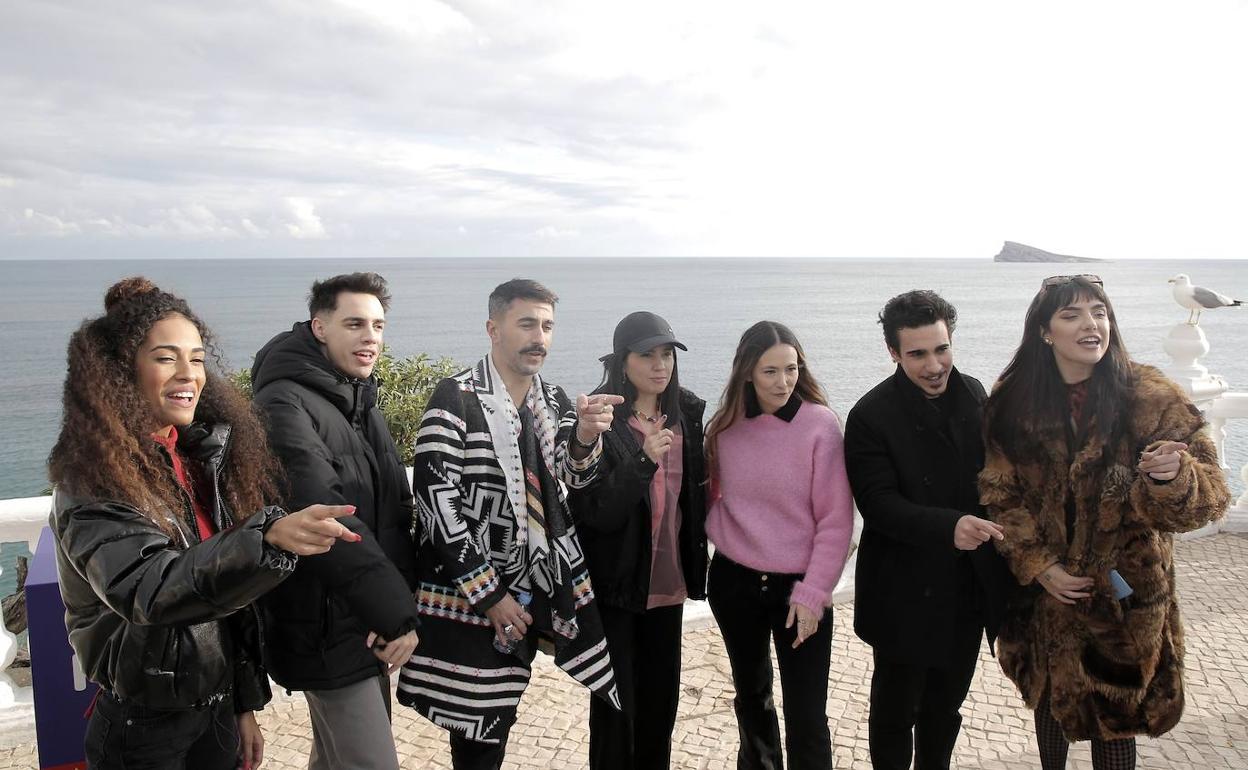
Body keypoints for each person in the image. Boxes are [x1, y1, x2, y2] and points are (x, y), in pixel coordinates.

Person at [48, 277, 359, 770]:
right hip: (143, 722)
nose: (188, 374)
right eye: (166, 357)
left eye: (196, 358)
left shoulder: (199, 457)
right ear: (119, 371)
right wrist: (266, 538)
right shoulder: (92, 478)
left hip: (213, 707)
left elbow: (224, 605)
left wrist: (242, 706)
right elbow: (149, 587)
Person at [979, 274, 1230, 770]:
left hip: (1124, 596)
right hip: (1044, 597)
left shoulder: (1151, 397)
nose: (1091, 324)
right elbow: (999, 494)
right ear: (1045, 331)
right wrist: (1041, 566)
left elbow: (1211, 498)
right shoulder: (1011, 402)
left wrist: (1172, 477)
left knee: (1117, 720)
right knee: (1050, 706)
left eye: (1099, 312)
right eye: (1071, 314)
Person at [399, 278, 622, 770]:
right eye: (526, 324)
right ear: (493, 329)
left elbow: (573, 474)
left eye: (547, 326)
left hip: (528, 593)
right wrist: (490, 596)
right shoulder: (454, 397)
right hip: (468, 598)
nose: (538, 337)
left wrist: (585, 436)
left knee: (500, 719)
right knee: (477, 729)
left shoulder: (556, 400)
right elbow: (436, 505)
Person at [251, 272, 421, 770]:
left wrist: (397, 597)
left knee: (333, 759)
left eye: (378, 325)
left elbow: (392, 511)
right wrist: (395, 613)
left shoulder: (356, 398)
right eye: (354, 324)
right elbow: (327, 514)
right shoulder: (282, 402)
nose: (370, 336)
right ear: (320, 327)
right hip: (325, 623)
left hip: (359, 619)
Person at [844, 290, 1013, 770]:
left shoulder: (976, 394)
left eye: (942, 349)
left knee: (944, 711)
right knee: (895, 716)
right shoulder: (870, 415)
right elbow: (877, 505)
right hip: (902, 593)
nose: (934, 364)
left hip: (967, 590)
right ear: (893, 353)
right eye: (917, 354)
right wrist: (949, 527)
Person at [703, 320, 855, 770]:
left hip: (799, 589)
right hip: (734, 583)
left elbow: (836, 520)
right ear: (747, 371)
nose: (784, 381)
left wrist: (813, 593)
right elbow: (711, 497)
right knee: (752, 702)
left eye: (791, 369)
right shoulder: (724, 429)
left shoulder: (820, 426)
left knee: (807, 715)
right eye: (770, 371)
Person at [569, 311, 709, 770]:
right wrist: (643, 462)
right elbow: (596, 512)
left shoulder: (686, 414)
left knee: (659, 707)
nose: (659, 364)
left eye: (666, 353)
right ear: (621, 362)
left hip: (669, 588)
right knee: (615, 711)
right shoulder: (602, 424)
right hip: (618, 589)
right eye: (646, 354)